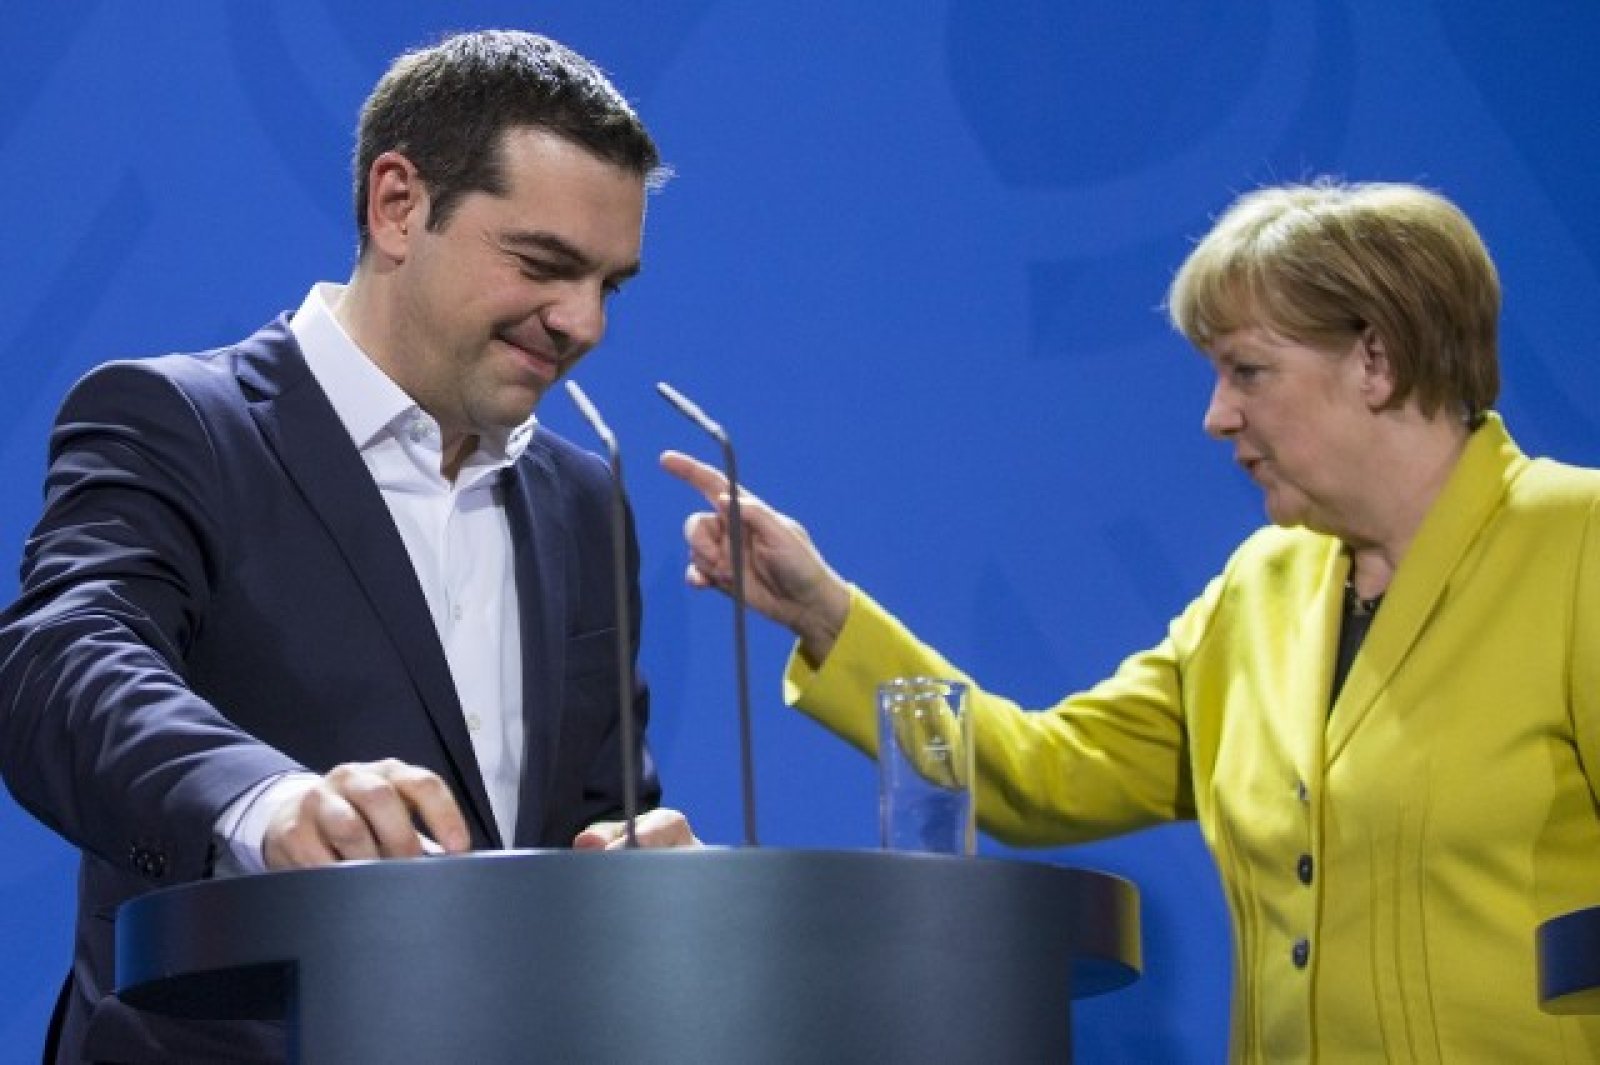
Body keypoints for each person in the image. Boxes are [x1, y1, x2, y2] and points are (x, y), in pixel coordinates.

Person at [665, 180, 1600, 1061]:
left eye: (1248, 370)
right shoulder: (1260, 589)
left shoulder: (1578, 545)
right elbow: (1043, 776)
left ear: (1376, 359)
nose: (1217, 415)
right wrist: (824, 611)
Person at [0, 29, 699, 1064]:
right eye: (546, 265)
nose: (583, 323)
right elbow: (62, 661)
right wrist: (265, 800)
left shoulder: (584, 498)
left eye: (611, 284)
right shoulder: (177, 422)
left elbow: (595, 824)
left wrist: (644, 874)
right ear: (397, 205)